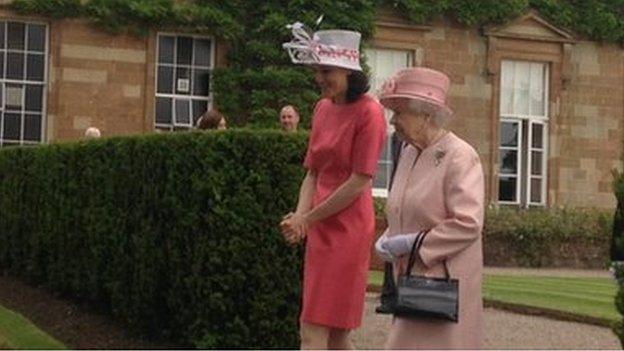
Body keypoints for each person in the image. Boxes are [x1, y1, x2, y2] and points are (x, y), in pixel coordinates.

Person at [280, 22, 387, 349]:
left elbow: (359, 180)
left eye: (326, 70)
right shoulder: (322, 109)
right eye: (317, 70)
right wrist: (300, 217)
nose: (319, 78)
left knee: (316, 330)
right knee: (335, 334)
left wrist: (307, 219)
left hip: (349, 229)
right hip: (319, 228)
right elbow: (313, 173)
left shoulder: (370, 113)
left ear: (348, 71)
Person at [374, 67, 485, 349]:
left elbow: (468, 222)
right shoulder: (409, 151)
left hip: (444, 282)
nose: (393, 121)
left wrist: (411, 242)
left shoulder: (460, 155)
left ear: (425, 115)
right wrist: (389, 237)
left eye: (399, 112)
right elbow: (406, 208)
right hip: (413, 281)